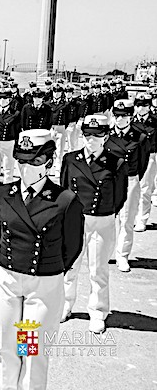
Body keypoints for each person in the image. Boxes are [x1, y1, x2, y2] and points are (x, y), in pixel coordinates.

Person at [0, 129, 84, 390]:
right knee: (5, 347)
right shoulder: (3, 193)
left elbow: (72, 247)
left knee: (31, 350)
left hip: (42, 286)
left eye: (34, 161)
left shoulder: (65, 200)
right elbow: (0, 231)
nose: (26, 167)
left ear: (49, 162)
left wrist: (47, 266)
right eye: (21, 160)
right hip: (6, 280)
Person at [61, 115, 129, 334]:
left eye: (97, 135)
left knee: (97, 270)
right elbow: (64, 191)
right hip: (76, 220)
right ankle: (65, 304)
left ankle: (98, 312)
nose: (91, 140)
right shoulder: (71, 159)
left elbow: (120, 196)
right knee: (70, 266)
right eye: (87, 135)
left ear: (106, 136)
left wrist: (105, 214)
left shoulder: (116, 162)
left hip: (102, 220)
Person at [104, 99, 150, 271]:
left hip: (130, 180)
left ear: (130, 117)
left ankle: (122, 256)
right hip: (109, 180)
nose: (119, 119)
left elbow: (143, 163)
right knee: (108, 219)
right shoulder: (106, 135)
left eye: (123, 116)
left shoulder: (141, 137)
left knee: (127, 220)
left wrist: (134, 179)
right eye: (116, 115)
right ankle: (107, 252)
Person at [133, 93, 157, 231]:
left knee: (145, 189)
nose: (140, 108)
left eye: (144, 105)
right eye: (138, 105)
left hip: (150, 156)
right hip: (133, 158)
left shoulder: (155, 121)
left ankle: (142, 219)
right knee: (131, 188)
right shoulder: (130, 121)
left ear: (149, 106)